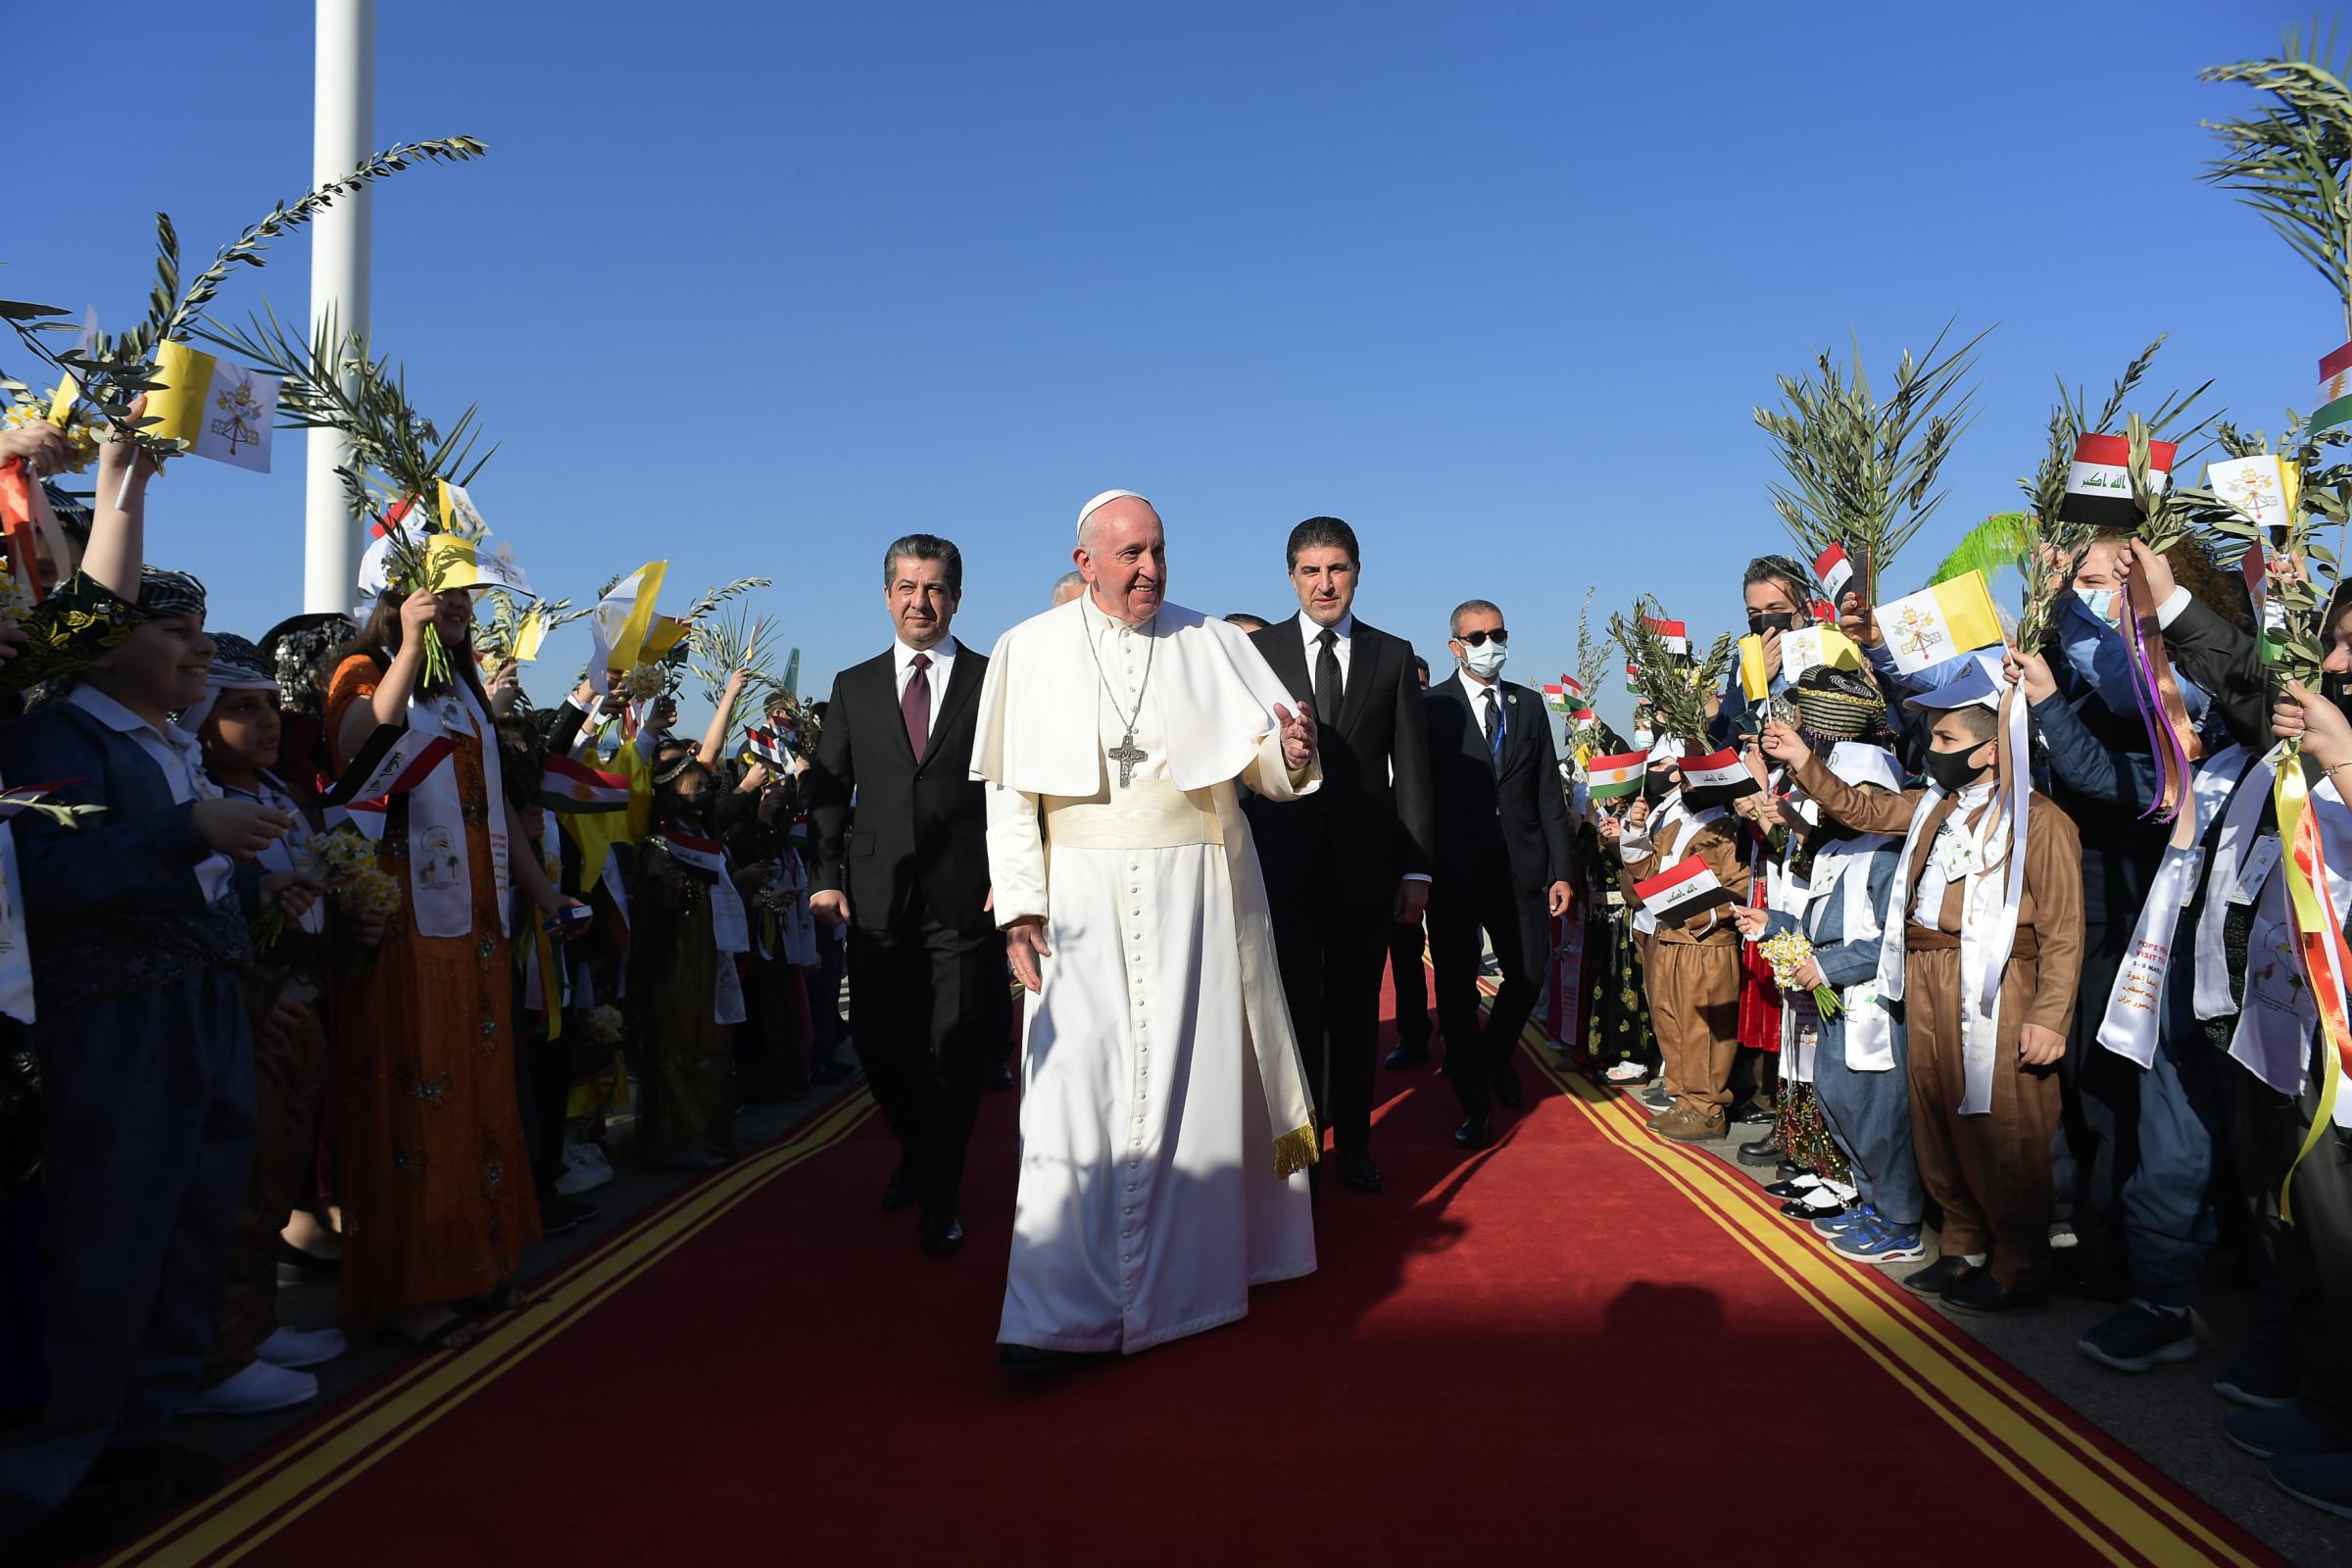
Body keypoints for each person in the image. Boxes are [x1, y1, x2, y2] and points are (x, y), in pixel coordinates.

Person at [974, 489, 1321, 1368]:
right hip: (1077, 897)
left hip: (1196, 890)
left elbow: (1266, 768)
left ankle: (1189, 1289)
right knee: (1067, 1099)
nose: (1150, 570)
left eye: (1159, 551)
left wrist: (1291, 754)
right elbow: (1010, 795)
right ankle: (1053, 1314)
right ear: (1086, 561)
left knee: (1192, 1088)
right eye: (1129, 554)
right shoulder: (1027, 647)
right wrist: (1018, 901)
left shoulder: (1212, 642)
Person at [0, 570, 291, 1563]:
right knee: (107, 1240)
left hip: (201, 1009)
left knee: (190, 1228)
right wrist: (185, 833)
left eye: (203, 629)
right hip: (118, 1024)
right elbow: (44, 870)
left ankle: (133, 1434)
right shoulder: (56, 740)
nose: (202, 651)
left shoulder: (172, 744)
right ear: (101, 645)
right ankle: (46, 1479)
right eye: (176, 631)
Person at [1762, 655, 2085, 1313]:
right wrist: (1802, 760)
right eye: (1931, 738)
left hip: (1998, 981)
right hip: (1927, 973)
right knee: (1938, 1119)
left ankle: (2019, 1263)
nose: (1932, 751)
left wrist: (2050, 1016)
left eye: (1947, 740)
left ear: (1993, 750)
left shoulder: (2041, 820)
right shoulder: (1934, 807)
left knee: (2003, 1125)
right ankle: (1962, 1246)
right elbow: (1859, 806)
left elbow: (2064, 928)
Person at [323, 586, 581, 1351]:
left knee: (477, 1093)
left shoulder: (468, 694)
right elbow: (363, 747)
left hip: (479, 923)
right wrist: (408, 644)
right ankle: (411, 1290)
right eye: (441, 589)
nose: (457, 604)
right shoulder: (362, 670)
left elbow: (495, 809)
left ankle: (476, 1263)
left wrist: (544, 896)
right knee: (418, 1093)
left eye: (468, 595)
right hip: (408, 918)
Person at [808, 534, 1004, 1257]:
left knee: (953, 1049)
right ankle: (920, 1154)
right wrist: (825, 876)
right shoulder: (853, 685)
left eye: (935, 589)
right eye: (907, 588)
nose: (921, 602)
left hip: (966, 895)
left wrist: (1013, 873)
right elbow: (827, 787)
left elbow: (1017, 783)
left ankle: (941, 1195)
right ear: (887, 594)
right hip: (875, 895)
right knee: (879, 1044)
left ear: (955, 596)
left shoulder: (993, 679)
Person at [180, 636, 351, 1416]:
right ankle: (219, 1353)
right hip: (254, 1010)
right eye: (239, 709)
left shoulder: (280, 791)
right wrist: (261, 988)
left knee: (276, 1179)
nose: (266, 722)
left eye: (268, 707)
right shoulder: (200, 800)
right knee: (239, 1190)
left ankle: (254, 1326)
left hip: (300, 999)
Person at [1243, 517, 1434, 1194]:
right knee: (1290, 1011)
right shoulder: (1255, 651)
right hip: (1279, 863)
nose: (1325, 584)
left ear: (1357, 571)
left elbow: (1410, 771)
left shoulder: (1390, 653)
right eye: (1311, 571)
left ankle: (1354, 1140)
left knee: (1355, 1014)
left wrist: (1415, 870)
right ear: (1291, 577)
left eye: (1338, 569)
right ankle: (1297, 1145)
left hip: (1365, 868)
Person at [1422, 599, 1573, 1150]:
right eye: (1478, 636)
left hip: (1522, 868)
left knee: (1530, 974)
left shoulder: (1527, 705)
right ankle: (1474, 1104)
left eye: (1498, 633)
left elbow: (1546, 792)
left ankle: (1492, 1057)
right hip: (1455, 873)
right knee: (1458, 993)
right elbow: (1418, 795)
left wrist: (1562, 869)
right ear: (1455, 646)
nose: (1490, 644)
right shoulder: (1431, 707)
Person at [1605, 741, 1749, 1142]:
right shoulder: (1676, 823)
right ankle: (1683, 1098)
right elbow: (1649, 869)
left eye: (1689, 773)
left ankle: (1707, 1109)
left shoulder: (1724, 831)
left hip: (1703, 946)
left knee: (1701, 1029)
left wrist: (1709, 915)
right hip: (1667, 936)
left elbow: (1741, 889)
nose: (1681, 781)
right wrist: (1633, 834)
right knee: (1670, 1022)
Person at [1387, 654, 1438, 1068]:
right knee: (1401, 958)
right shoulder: (1381, 735)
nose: (1416, 694)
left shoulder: (1440, 735)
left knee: (1454, 956)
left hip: (1434, 864)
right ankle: (1412, 1034)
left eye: (1422, 686)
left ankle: (1452, 1033)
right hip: (1383, 864)